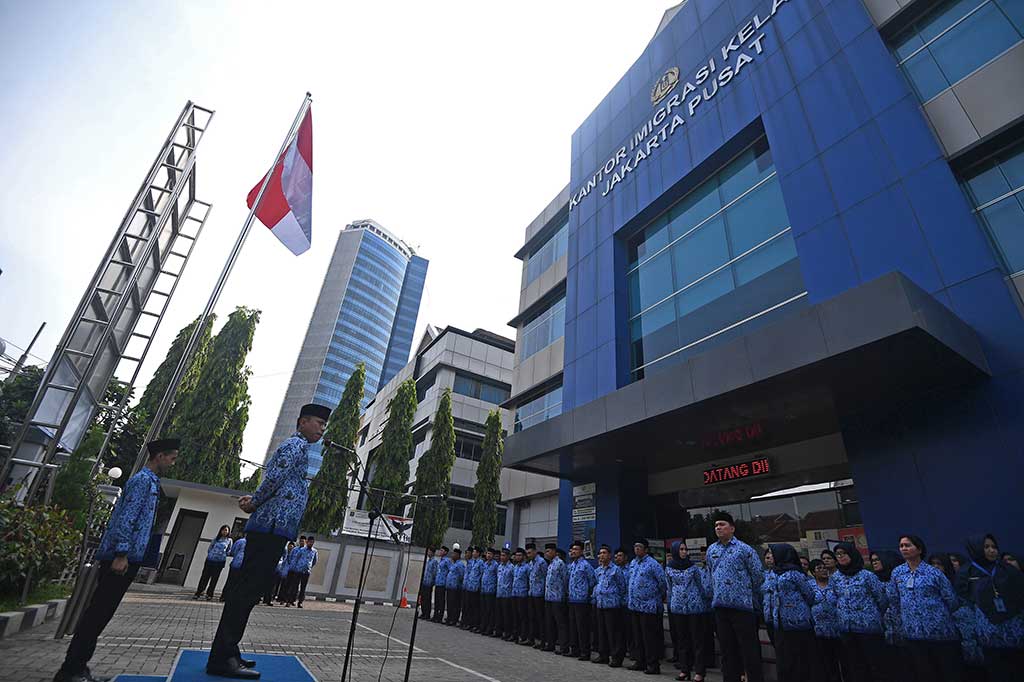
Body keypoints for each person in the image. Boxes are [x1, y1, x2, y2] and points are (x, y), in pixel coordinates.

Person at [207, 402, 330, 679]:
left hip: (276, 529)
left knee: (251, 591)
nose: (323, 429)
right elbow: (274, 478)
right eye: (318, 423)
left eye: (324, 425)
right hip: (269, 528)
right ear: (302, 422)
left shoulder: (301, 449)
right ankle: (221, 657)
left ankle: (229, 650)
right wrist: (254, 502)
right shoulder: (294, 446)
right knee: (246, 590)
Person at [54, 438, 178, 682]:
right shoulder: (143, 481)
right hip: (120, 559)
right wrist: (121, 553)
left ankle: (79, 666)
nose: (173, 463)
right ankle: (71, 669)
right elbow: (126, 519)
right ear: (159, 456)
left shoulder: (151, 482)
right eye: (171, 458)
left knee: (101, 615)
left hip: (129, 557)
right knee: (97, 614)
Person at [705, 512, 764, 682]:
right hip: (720, 607)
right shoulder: (712, 550)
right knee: (727, 650)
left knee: (749, 650)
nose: (718, 528)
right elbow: (710, 574)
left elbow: (757, 576)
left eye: (722, 524)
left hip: (743, 607)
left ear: (732, 528)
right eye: (716, 525)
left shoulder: (744, 549)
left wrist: (746, 594)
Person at [957, 534, 1024, 681]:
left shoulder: (1007, 569)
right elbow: (964, 597)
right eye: (986, 547)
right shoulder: (966, 572)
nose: (991, 550)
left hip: (1014, 632)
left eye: (994, 547)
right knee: (997, 671)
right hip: (987, 632)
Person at [829, 541, 888, 682]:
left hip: (868, 627)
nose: (841, 557)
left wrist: (870, 614)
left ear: (852, 554)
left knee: (874, 665)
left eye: (843, 553)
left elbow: (882, 599)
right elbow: (834, 598)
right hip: (847, 628)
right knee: (854, 665)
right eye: (837, 554)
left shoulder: (867, 575)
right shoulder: (836, 577)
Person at [765, 543, 816, 682]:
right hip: (780, 624)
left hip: (798, 624)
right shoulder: (773, 573)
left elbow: (810, 595)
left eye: (773, 553)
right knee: (784, 662)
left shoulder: (795, 573)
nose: (771, 556)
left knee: (800, 662)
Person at [666, 540, 711, 682]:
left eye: (685, 549)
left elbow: (700, 585)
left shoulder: (693, 567)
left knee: (697, 640)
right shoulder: (669, 568)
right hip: (678, 608)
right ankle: (684, 670)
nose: (685, 552)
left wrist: (703, 601)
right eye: (681, 549)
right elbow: (669, 587)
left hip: (694, 607)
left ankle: (699, 672)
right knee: (682, 640)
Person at [628, 537, 668, 675]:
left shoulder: (653, 564)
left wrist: (657, 596)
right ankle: (640, 661)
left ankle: (653, 664)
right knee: (637, 636)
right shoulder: (633, 563)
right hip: (634, 606)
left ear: (646, 549)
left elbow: (663, 583)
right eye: (635, 546)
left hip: (648, 606)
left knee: (649, 637)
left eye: (639, 547)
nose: (636, 549)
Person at [593, 544, 627, 668]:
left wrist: (617, 599)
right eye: (600, 553)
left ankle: (617, 657)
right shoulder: (599, 570)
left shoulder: (615, 570)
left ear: (610, 555)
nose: (601, 555)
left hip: (612, 605)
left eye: (604, 553)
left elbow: (622, 587)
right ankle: (603, 655)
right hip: (600, 604)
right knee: (602, 632)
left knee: (614, 633)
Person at [809, 559, 843, 682]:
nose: (823, 570)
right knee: (824, 661)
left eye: (824, 567)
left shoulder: (834, 584)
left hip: (837, 628)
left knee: (840, 659)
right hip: (818, 630)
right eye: (819, 568)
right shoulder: (809, 586)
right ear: (813, 572)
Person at [566, 540, 596, 660]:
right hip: (572, 599)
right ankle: (575, 650)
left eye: (576, 549)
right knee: (573, 626)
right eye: (572, 549)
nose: (573, 551)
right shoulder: (572, 565)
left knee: (582, 627)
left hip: (582, 601)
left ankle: (585, 652)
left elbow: (592, 581)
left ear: (582, 551)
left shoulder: (586, 565)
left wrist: (585, 593)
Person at [195, 525, 233, 601]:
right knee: (204, 577)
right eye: (223, 530)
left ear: (228, 532)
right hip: (210, 560)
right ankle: (199, 592)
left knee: (214, 579)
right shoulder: (216, 539)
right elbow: (210, 548)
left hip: (219, 562)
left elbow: (229, 551)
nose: (224, 531)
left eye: (226, 530)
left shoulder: (229, 540)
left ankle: (209, 594)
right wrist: (211, 555)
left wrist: (222, 554)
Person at [544, 543, 569, 653]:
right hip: (549, 597)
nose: (547, 553)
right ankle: (551, 644)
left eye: (549, 551)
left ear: (554, 552)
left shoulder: (560, 563)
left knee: (560, 624)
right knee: (549, 623)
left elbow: (565, 580)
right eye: (546, 551)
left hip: (558, 598)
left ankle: (563, 647)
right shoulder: (550, 564)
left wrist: (563, 594)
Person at [614, 548, 635, 662]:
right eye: (616, 556)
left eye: (620, 556)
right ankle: (620, 651)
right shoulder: (614, 570)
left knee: (630, 630)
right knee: (619, 630)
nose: (617, 558)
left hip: (628, 603)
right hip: (617, 603)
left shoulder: (630, 569)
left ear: (626, 557)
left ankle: (633, 652)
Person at [283, 536, 315, 608]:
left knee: (303, 588)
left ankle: (300, 602)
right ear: (307, 542)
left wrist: (309, 567)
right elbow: (295, 559)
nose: (311, 543)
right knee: (294, 586)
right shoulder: (301, 550)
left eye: (312, 542)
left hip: (306, 572)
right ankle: (289, 601)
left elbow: (314, 561)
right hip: (298, 570)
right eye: (310, 542)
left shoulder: (314, 551)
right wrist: (294, 568)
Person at [527, 542, 548, 649]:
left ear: (535, 551)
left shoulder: (541, 562)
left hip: (539, 594)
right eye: (527, 553)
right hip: (531, 593)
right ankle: (532, 639)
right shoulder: (531, 563)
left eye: (530, 553)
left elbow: (545, 577)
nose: (528, 555)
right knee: (532, 617)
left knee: (540, 618)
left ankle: (542, 640)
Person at [509, 547, 531, 644]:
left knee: (523, 617)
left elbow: (529, 581)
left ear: (524, 557)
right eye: (516, 555)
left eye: (519, 555)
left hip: (523, 594)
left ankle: (523, 636)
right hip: (514, 593)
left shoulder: (527, 567)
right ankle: (515, 635)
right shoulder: (515, 567)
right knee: (514, 616)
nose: (517, 557)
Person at [264, 541, 294, 606]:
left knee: (274, 585)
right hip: (271, 566)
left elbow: (284, 558)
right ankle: (266, 598)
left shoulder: (284, 549)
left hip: (278, 567)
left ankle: (271, 599)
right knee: (269, 583)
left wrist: (281, 565)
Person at [221, 533, 247, 602]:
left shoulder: (240, 541)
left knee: (230, 581)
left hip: (235, 564)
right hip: (244, 566)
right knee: (238, 583)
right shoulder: (254, 543)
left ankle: (224, 596)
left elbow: (233, 551)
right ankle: (233, 597)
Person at [462, 547, 482, 631]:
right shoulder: (472, 562)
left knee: (475, 608)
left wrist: (478, 586)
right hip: (469, 587)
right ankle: (468, 623)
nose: (473, 553)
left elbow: (481, 574)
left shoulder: (480, 563)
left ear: (478, 553)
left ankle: (474, 624)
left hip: (475, 588)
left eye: (474, 552)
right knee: (468, 607)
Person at [496, 548, 515, 640]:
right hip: (499, 593)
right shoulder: (500, 566)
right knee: (499, 614)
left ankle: (508, 632)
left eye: (503, 555)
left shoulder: (511, 567)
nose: (501, 557)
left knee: (507, 615)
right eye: (501, 555)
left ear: (508, 556)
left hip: (507, 594)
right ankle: (499, 631)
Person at [445, 545, 466, 626]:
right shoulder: (452, 564)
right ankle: (449, 617)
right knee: (449, 603)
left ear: (458, 555)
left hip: (455, 587)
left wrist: (457, 583)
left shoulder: (460, 564)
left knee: (455, 604)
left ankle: (454, 619)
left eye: (454, 554)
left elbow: (461, 575)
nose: (452, 555)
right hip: (450, 586)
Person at [479, 548, 498, 636]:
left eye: (490, 554)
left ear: (493, 555)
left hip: (491, 590)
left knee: (490, 611)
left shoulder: (495, 565)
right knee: (483, 610)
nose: (488, 555)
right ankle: (483, 627)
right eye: (487, 553)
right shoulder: (485, 564)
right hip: (484, 589)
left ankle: (489, 628)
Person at [432, 546, 450, 623]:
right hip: (438, 583)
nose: (440, 552)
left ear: (445, 552)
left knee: (441, 601)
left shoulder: (447, 561)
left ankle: (440, 617)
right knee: (437, 600)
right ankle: (435, 616)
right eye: (440, 550)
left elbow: (450, 570)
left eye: (442, 550)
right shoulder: (440, 560)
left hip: (443, 583)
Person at [420, 546, 437, 620]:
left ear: (432, 553)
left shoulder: (434, 561)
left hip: (429, 583)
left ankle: (427, 614)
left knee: (427, 599)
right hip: (425, 581)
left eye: (429, 551)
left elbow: (434, 572)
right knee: (423, 598)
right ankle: (423, 612)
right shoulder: (428, 561)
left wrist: (433, 582)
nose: (428, 553)